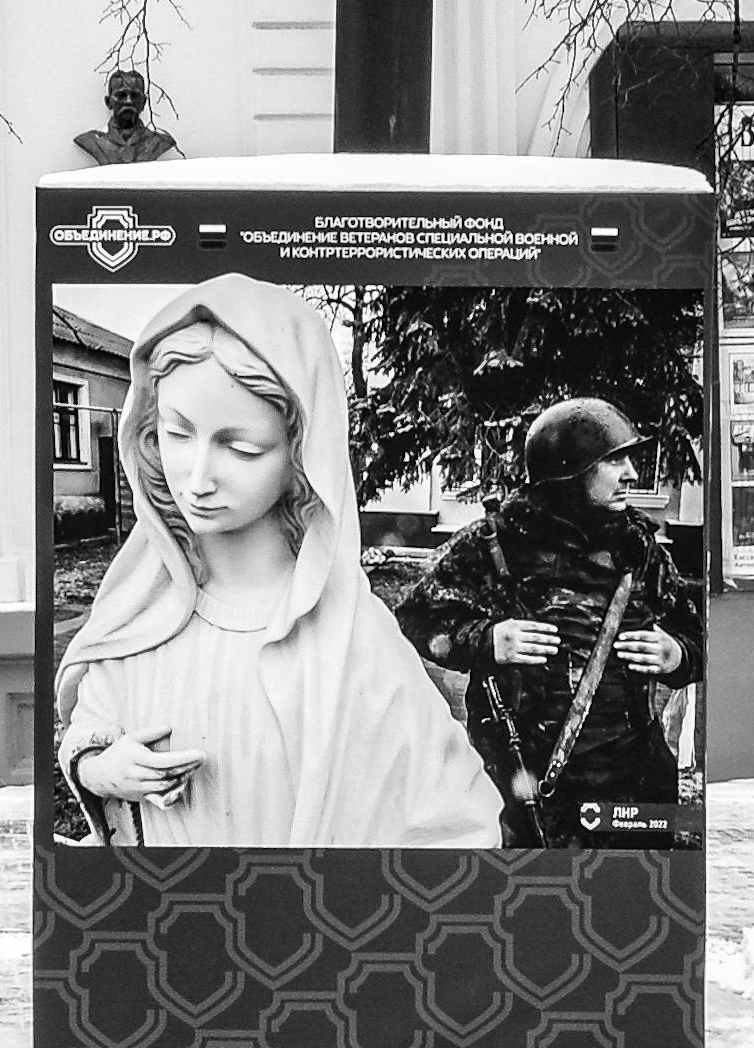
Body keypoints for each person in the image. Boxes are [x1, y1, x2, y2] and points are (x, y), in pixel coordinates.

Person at [54, 274, 500, 848]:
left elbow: (456, 823)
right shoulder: (142, 609)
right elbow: (89, 728)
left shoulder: (353, 642)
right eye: (177, 433)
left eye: (241, 448)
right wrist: (103, 768)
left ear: (301, 455)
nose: (197, 478)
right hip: (170, 899)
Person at [394, 398, 705, 849]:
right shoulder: (498, 544)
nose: (632, 474)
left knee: (633, 890)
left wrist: (676, 654)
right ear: (569, 472)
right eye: (613, 461)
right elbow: (414, 619)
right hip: (520, 786)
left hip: (632, 786)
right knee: (527, 890)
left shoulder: (639, 551)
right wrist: (486, 640)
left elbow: (698, 635)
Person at [73, 70, 179, 165]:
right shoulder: (91, 140)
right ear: (108, 102)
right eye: (121, 95)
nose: (128, 101)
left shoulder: (159, 141)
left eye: (134, 96)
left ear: (143, 102)